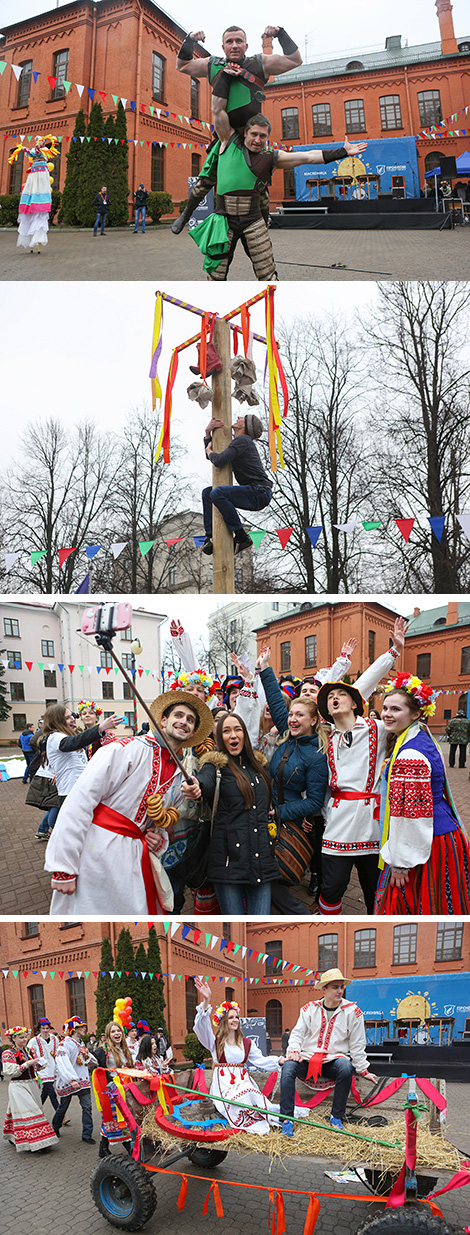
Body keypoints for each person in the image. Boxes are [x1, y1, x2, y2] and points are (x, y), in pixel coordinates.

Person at [44, 691, 213, 916]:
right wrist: (63, 867)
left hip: (133, 857)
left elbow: (154, 823)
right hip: (96, 852)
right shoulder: (127, 748)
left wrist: (156, 838)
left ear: (193, 731)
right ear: (163, 720)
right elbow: (79, 801)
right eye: (178, 715)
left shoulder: (180, 773)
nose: (184, 722)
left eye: (190, 720)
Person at [190, 113, 367, 280]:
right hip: (223, 222)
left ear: (267, 138)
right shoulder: (226, 144)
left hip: (253, 222)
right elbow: (219, 110)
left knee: (267, 274)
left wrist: (342, 152)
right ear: (245, 132)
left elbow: (308, 157)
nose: (257, 140)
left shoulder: (271, 157)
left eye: (263, 136)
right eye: (254, 134)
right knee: (215, 275)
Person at [314, 617, 406, 916]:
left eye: (341, 695)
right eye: (329, 698)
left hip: (371, 823)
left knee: (373, 889)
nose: (334, 699)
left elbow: (364, 683)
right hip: (339, 825)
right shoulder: (327, 739)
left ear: (356, 703)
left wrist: (393, 653)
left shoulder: (377, 728)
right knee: (331, 888)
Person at [173, 24, 302, 234]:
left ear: (246, 45)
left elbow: (295, 60)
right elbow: (183, 65)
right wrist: (189, 40)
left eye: (239, 41)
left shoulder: (260, 63)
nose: (234, 45)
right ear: (223, 47)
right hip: (225, 135)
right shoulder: (213, 64)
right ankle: (186, 215)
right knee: (207, 178)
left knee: (259, 182)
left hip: (252, 136)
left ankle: (264, 219)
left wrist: (281, 34)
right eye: (230, 42)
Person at [374, 673, 470, 915]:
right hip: (441, 831)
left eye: (396, 709)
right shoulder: (422, 737)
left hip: (426, 841)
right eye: (385, 707)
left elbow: (409, 815)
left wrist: (400, 863)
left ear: (415, 713)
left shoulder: (410, 755)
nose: (387, 713)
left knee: (412, 902)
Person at [181, 711, 279, 914]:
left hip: (262, 859)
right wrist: (196, 786)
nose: (233, 735)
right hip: (227, 862)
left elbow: (268, 802)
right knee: (235, 927)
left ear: (245, 734)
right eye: (226, 731)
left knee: (259, 924)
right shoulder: (214, 766)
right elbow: (204, 782)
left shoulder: (259, 767)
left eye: (237, 729)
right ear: (218, 737)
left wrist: (274, 813)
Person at [255, 648, 328, 913]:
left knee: (273, 870)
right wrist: (264, 669)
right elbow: (276, 702)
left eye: (299, 715)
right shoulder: (287, 735)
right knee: (265, 869)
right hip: (270, 814)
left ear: (313, 720)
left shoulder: (316, 755)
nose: (293, 718)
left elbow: (316, 802)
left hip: (292, 820)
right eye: (291, 714)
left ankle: (299, 913)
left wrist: (281, 812)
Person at [279, 969, 377, 1136]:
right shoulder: (309, 1009)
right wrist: (294, 1051)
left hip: (334, 1060)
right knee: (288, 1068)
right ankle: (286, 1120)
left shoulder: (353, 1011)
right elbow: (297, 1033)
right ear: (324, 989)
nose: (340, 991)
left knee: (346, 1067)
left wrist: (363, 1069)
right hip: (309, 1058)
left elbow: (358, 1043)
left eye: (341, 987)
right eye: (335, 987)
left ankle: (336, 1117)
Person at [193, 980, 283, 1134]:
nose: (235, 1020)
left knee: (252, 1095)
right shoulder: (214, 1041)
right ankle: (252, 1123)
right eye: (231, 1017)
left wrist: (280, 1061)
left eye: (236, 1017)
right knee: (242, 1098)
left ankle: (268, 1118)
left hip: (244, 1081)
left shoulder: (246, 1043)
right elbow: (201, 1026)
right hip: (224, 1085)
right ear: (224, 1022)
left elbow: (260, 1060)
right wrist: (206, 1001)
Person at [201, 413, 272, 556]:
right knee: (208, 493)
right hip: (255, 491)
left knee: (217, 493)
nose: (238, 417)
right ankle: (209, 537)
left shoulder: (243, 441)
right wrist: (208, 433)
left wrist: (209, 450)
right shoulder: (238, 443)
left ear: (245, 426)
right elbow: (216, 457)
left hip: (259, 491)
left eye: (242, 418)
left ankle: (241, 536)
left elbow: (218, 459)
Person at [40, 703, 122, 810]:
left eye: (72, 716)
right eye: (67, 717)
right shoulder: (55, 737)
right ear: (57, 721)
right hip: (70, 793)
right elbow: (73, 742)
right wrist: (101, 727)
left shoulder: (68, 736)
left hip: (82, 790)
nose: (73, 719)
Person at [3, 1025, 57, 1152]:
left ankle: (14, 1135)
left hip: (32, 1084)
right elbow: (11, 1072)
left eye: (25, 1037)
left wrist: (39, 1064)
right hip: (18, 1086)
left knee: (22, 1111)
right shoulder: (8, 1053)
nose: (24, 1039)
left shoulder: (29, 1051)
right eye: (21, 1037)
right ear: (13, 1039)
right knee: (31, 1113)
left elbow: (34, 1068)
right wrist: (28, 1063)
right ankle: (38, 1143)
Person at [9, 133, 59, 253]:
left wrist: (37, 148)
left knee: (40, 192)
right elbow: (32, 154)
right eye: (37, 141)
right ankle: (31, 243)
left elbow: (39, 154)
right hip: (34, 174)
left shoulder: (45, 150)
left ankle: (38, 241)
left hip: (42, 174)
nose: (38, 143)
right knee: (31, 190)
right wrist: (23, 148)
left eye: (40, 141)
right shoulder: (33, 149)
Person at [53, 1018, 96, 1143]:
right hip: (69, 1081)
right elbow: (61, 1062)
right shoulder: (65, 1044)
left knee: (87, 1107)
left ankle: (87, 1135)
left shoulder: (81, 1043)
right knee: (63, 1107)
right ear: (74, 1029)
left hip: (83, 1080)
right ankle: (55, 1127)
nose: (84, 1029)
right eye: (81, 1027)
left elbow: (87, 1062)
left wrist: (87, 1057)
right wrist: (71, 1079)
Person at [97, 1021, 133, 1158]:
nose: (116, 1033)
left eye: (118, 1030)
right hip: (113, 1089)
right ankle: (129, 1148)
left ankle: (103, 1149)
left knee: (112, 1118)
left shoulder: (125, 1049)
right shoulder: (104, 1050)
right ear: (108, 1035)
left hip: (126, 1087)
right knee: (118, 1117)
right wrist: (87, 1057)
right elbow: (94, 1062)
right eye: (113, 1031)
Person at [27, 1019, 60, 1114]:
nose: (45, 1030)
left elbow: (58, 1052)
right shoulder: (34, 1041)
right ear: (39, 1029)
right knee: (52, 1093)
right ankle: (60, 1116)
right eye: (43, 1028)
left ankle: (35, 1111)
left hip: (53, 1069)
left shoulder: (55, 1039)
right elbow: (28, 1053)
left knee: (45, 1093)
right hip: (42, 1070)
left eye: (47, 1028)